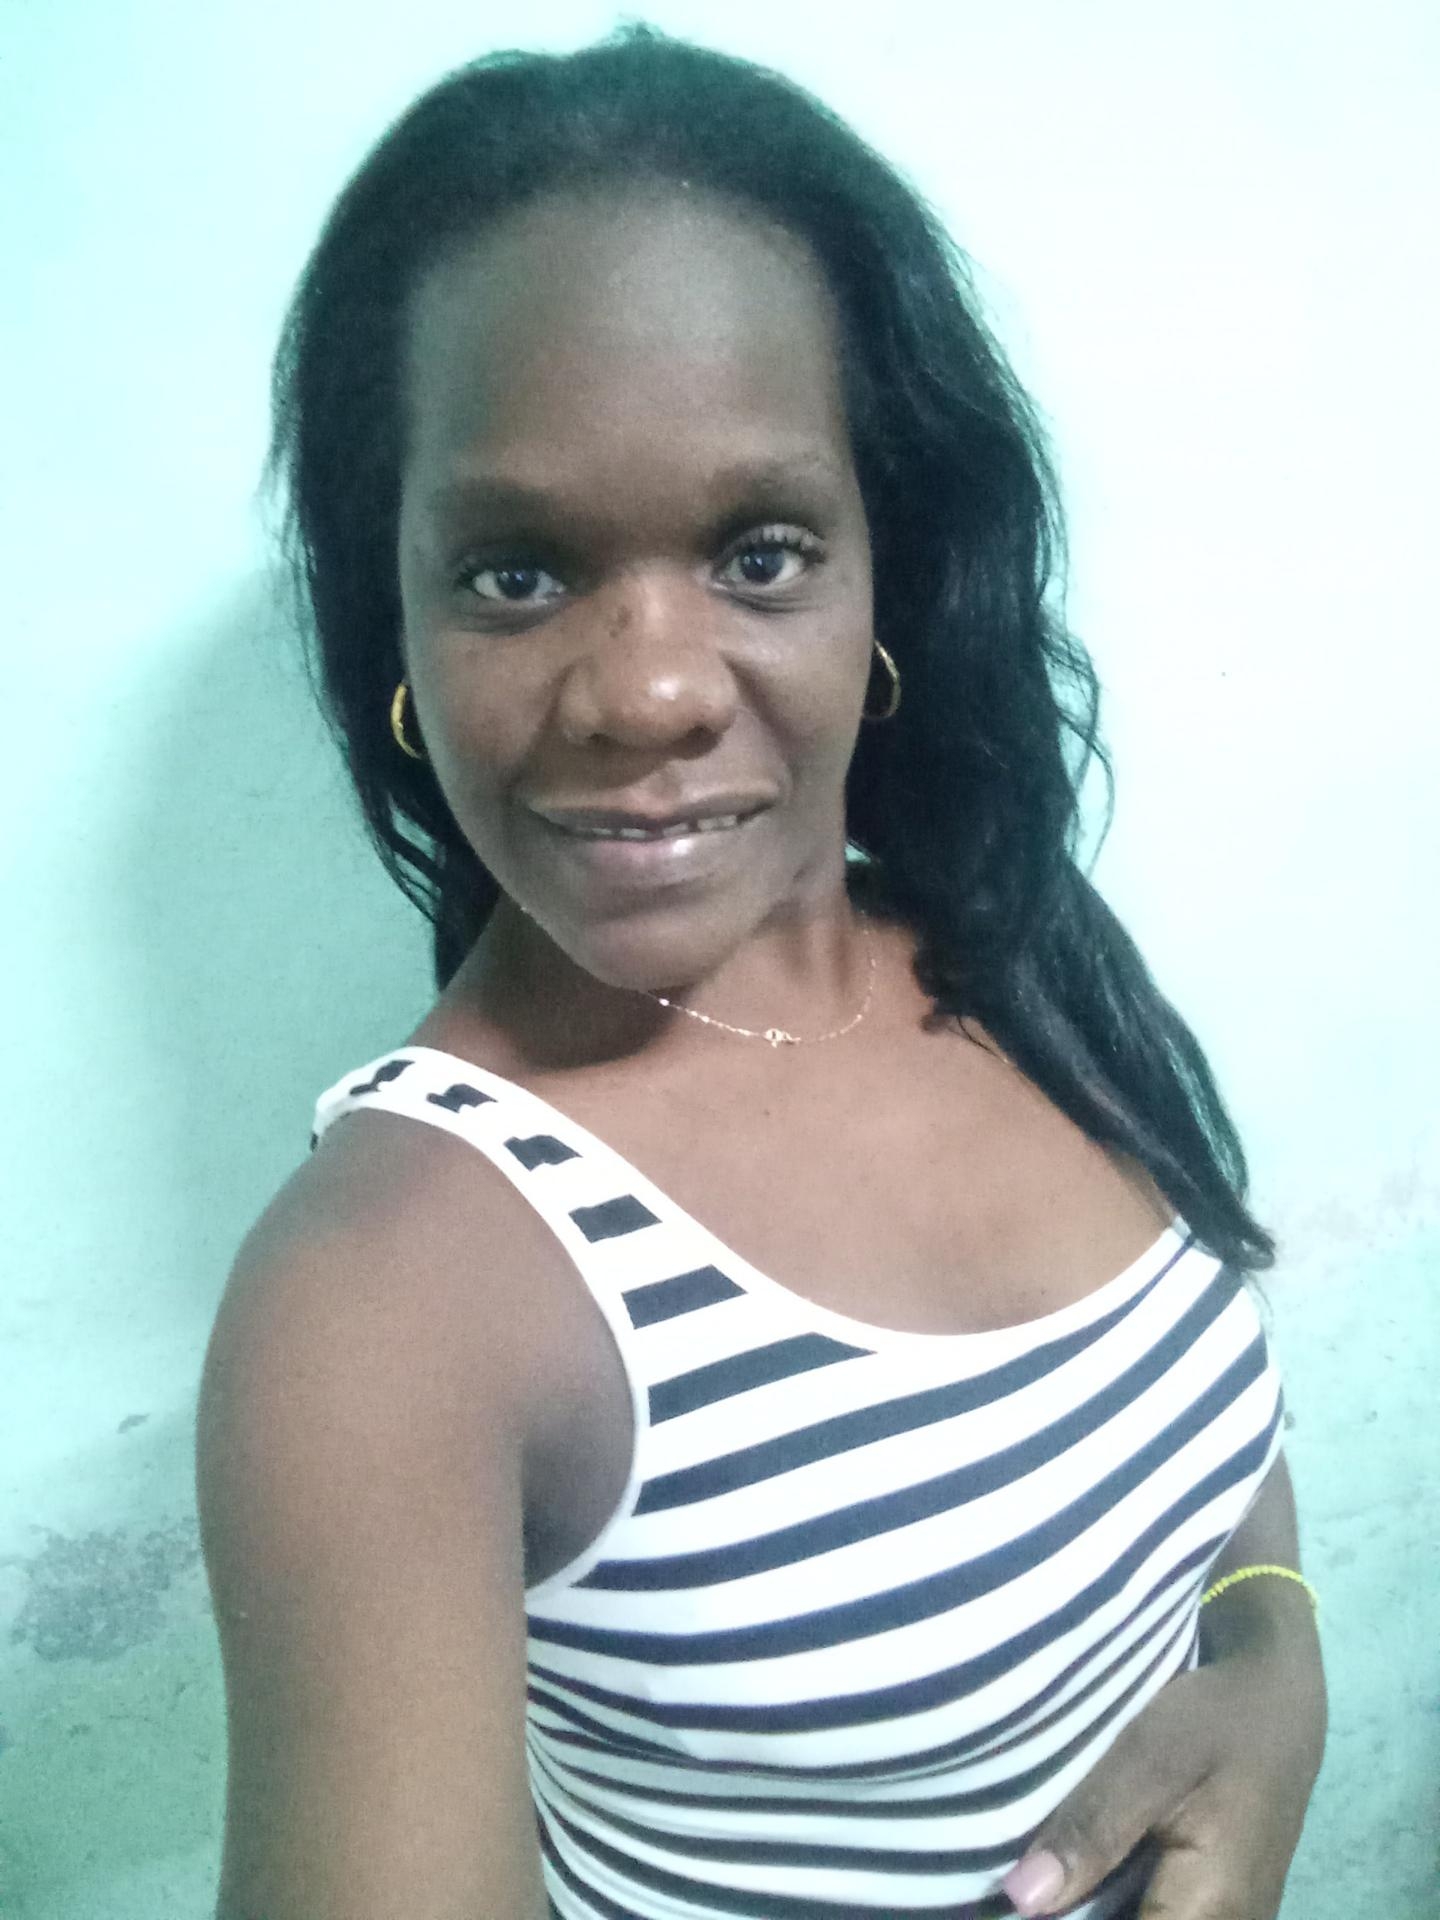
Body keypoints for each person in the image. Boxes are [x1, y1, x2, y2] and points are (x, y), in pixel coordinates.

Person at [197, 26, 1326, 1920]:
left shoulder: (1003, 945)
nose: (649, 690)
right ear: (390, 624)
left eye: (760, 552)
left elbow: (1194, 1414)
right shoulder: (390, 1297)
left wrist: (1274, 1660)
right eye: (515, 572)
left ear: (891, 573)